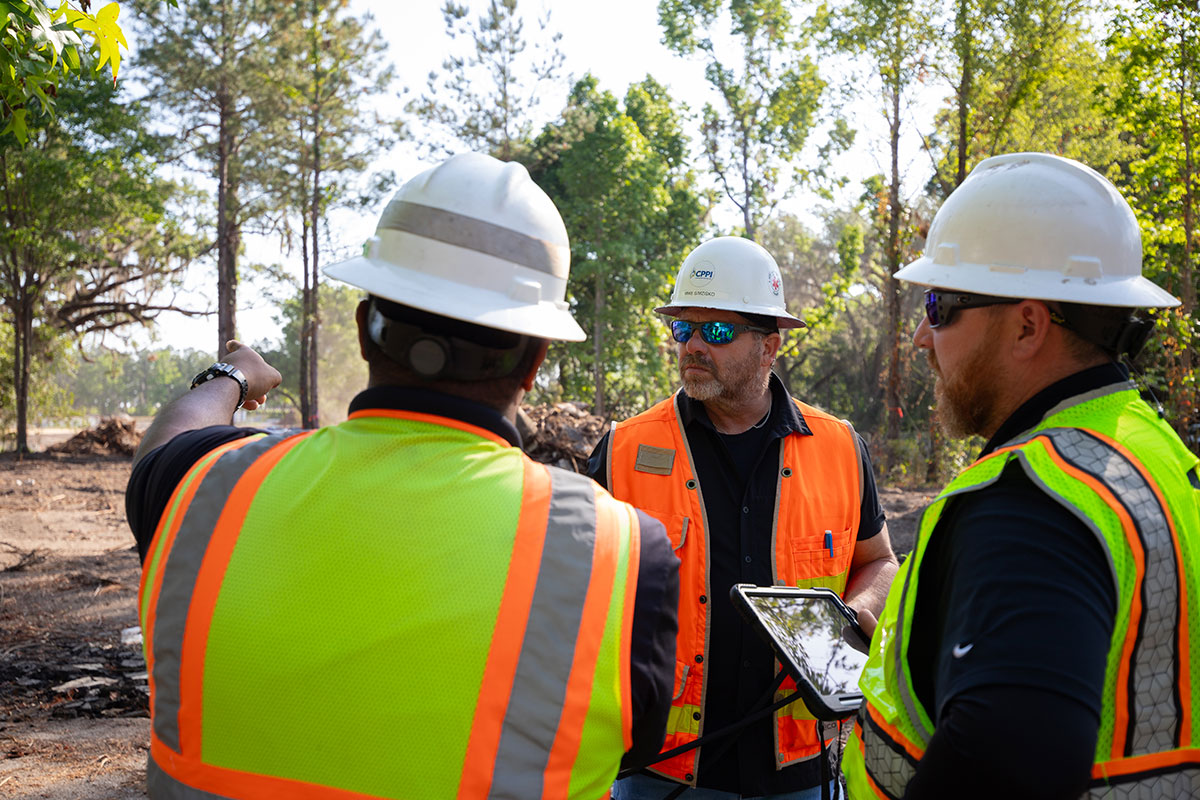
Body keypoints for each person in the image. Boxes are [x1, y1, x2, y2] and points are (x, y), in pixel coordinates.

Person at [125, 152, 680, 800]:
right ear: (535, 361)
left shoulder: (204, 489)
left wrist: (235, 376)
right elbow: (635, 746)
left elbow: (169, 441)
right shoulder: (620, 555)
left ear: (364, 330)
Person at [841, 152, 1200, 799]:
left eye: (940, 305)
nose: (923, 337)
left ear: (1029, 324)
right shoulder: (1151, 450)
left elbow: (1004, 767)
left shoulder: (1030, 505)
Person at [587, 236, 899, 798]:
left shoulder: (840, 448)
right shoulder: (623, 451)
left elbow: (879, 562)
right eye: (685, 328)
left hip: (801, 766)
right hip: (662, 767)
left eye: (719, 331)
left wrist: (847, 619)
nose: (694, 345)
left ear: (770, 347)